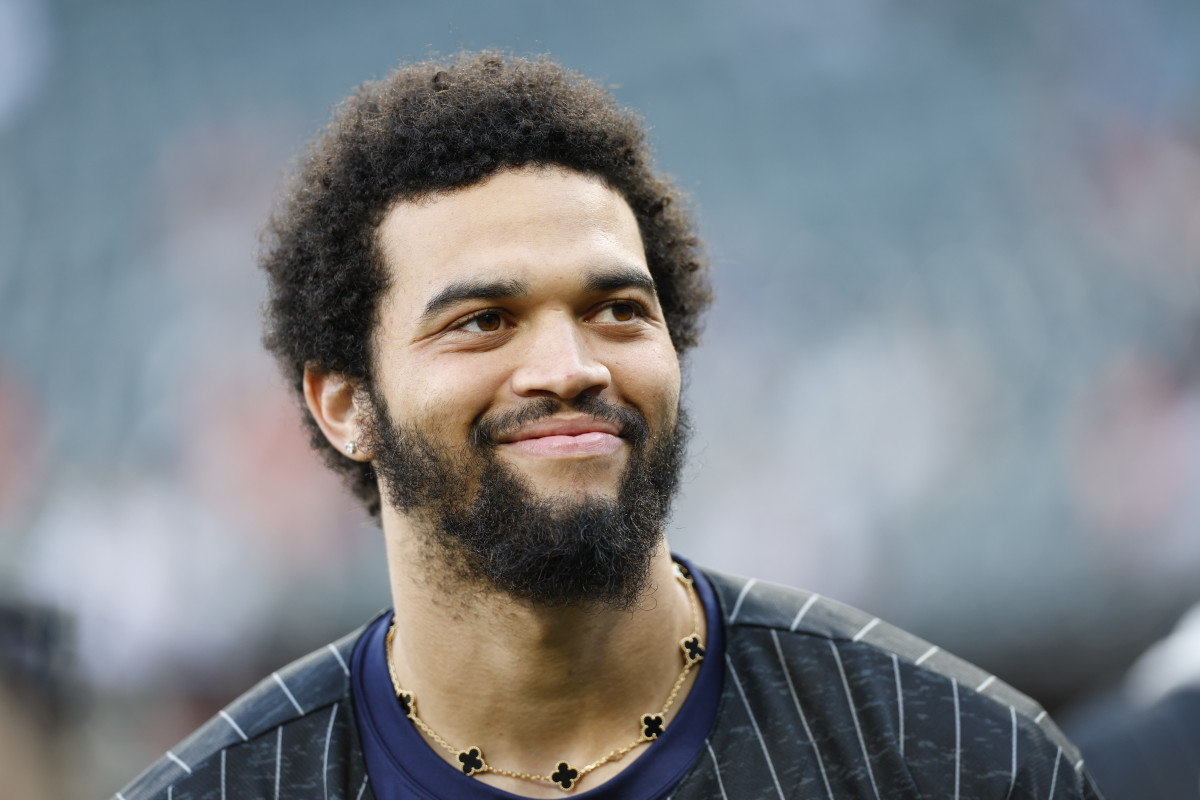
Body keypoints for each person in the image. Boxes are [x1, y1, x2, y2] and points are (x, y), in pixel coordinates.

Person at [114, 52, 1103, 799]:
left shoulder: (956, 758)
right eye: (483, 321)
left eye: (618, 310)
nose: (573, 365)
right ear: (344, 404)